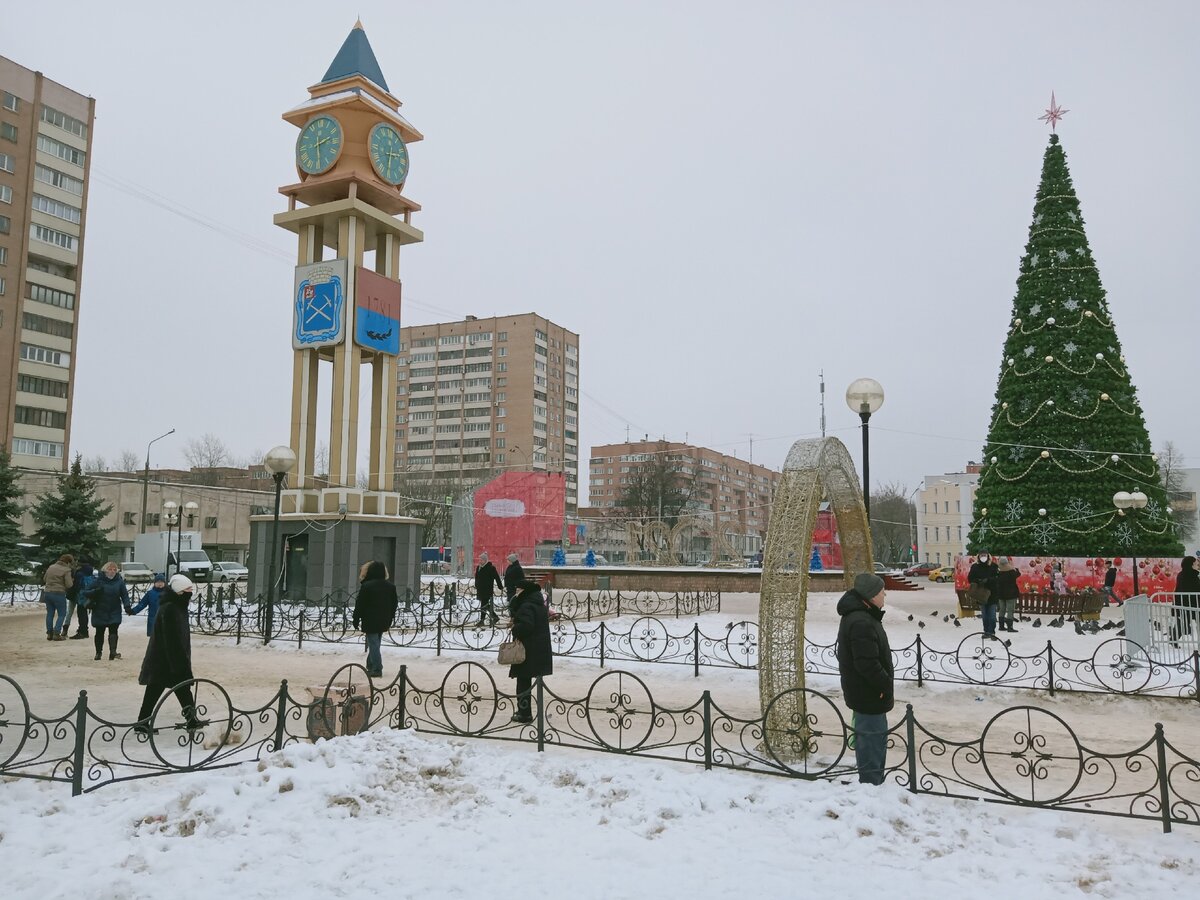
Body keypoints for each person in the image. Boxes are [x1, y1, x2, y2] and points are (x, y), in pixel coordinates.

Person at [836, 572, 894, 786]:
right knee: (871, 744)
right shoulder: (861, 621)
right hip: (869, 695)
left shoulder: (864, 615)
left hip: (867, 693)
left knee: (874, 742)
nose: (884, 594)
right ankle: (871, 786)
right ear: (870, 596)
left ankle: (874, 783)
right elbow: (866, 664)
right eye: (881, 592)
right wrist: (884, 684)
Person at [135, 574, 200, 734]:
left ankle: (191, 720)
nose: (191, 592)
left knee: (180, 689)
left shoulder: (177, 605)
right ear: (179, 591)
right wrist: (180, 663)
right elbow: (171, 638)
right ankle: (142, 723)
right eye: (188, 589)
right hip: (165, 659)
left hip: (169, 659)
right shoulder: (171, 608)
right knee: (157, 690)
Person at [507, 579, 553, 724]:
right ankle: (525, 712)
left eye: (518, 590)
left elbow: (526, 626)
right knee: (531, 681)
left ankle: (524, 714)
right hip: (538, 649)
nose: (516, 593)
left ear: (523, 591)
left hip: (528, 650)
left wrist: (514, 627)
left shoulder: (526, 605)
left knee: (523, 681)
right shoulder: (537, 603)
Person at [352, 560, 399, 678]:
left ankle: (377, 668)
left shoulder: (367, 586)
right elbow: (394, 603)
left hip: (370, 619)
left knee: (373, 643)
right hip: (384, 618)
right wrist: (391, 617)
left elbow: (360, 604)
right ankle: (371, 664)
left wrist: (356, 618)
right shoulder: (390, 586)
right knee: (375, 643)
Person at [85, 561, 132, 661]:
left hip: (114, 610)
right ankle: (98, 653)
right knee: (99, 632)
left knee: (113, 631)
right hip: (100, 610)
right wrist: (95, 591)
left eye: (114, 570)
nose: (112, 572)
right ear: (105, 570)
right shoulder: (98, 581)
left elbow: (124, 595)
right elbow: (85, 592)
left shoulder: (119, 581)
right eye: (110, 569)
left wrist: (127, 606)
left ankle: (113, 652)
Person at [968, 551, 1001, 640]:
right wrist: (977, 580)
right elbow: (970, 578)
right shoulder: (975, 567)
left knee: (992, 616)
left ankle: (992, 632)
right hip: (981, 594)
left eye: (985, 555)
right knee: (985, 616)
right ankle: (986, 632)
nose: (983, 557)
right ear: (978, 557)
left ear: (988, 556)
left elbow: (997, 578)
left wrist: (988, 580)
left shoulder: (993, 566)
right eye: (981, 555)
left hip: (992, 593)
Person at [41, 553, 73, 641]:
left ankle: (49, 633)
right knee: (62, 614)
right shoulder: (66, 570)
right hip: (59, 593)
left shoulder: (51, 567)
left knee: (50, 613)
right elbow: (69, 584)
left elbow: (44, 579)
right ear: (68, 562)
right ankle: (56, 633)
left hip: (47, 593)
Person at [1169, 556, 1200, 646]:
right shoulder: (1191, 575)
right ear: (1191, 564)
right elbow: (1194, 589)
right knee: (1184, 623)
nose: (1197, 564)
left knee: (1183, 623)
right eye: (1195, 562)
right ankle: (1174, 639)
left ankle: (1173, 639)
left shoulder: (1182, 574)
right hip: (1191, 603)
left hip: (1184, 603)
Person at [66, 560, 95, 639]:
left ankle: (82, 631)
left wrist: (71, 594)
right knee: (84, 614)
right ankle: (84, 630)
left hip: (81, 596)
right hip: (88, 595)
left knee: (81, 614)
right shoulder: (90, 572)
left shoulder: (79, 574)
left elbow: (75, 586)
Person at [473, 552, 504, 626]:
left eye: (481, 560)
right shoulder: (479, 567)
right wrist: (476, 584)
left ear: (485, 560)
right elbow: (477, 577)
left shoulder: (491, 568)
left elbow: (496, 577)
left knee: (484, 605)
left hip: (487, 589)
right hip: (480, 589)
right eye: (479, 559)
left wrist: (500, 586)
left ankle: (482, 620)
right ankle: (494, 617)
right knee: (485, 605)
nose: (480, 561)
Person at [996, 557, 1021, 633]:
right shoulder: (1011, 572)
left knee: (1002, 609)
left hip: (1000, 594)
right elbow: (1018, 574)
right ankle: (1010, 627)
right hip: (1011, 593)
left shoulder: (998, 572)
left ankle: (1001, 626)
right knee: (1010, 610)